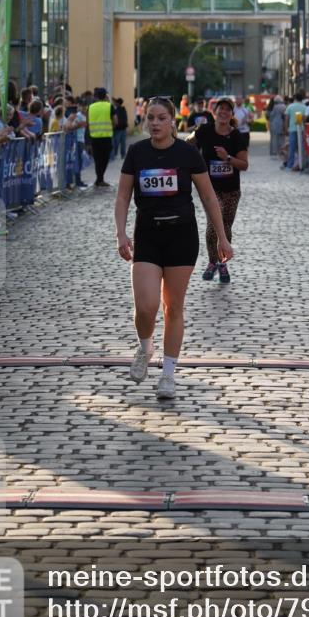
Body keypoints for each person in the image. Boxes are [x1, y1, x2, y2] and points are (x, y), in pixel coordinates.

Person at [114, 96, 233, 401]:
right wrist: (121, 234)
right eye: (150, 118)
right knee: (145, 306)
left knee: (173, 307)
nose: (154, 123)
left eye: (161, 118)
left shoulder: (187, 153)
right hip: (147, 235)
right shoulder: (137, 153)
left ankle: (168, 374)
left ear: (172, 122)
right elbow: (123, 196)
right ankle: (145, 346)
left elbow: (208, 197)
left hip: (182, 236)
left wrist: (222, 238)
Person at [193, 97, 248, 284]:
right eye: (220, 109)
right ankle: (212, 262)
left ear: (231, 114)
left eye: (227, 109)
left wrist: (228, 158)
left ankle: (223, 263)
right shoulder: (205, 131)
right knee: (213, 225)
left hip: (232, 190)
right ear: (214, 111)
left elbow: (244, 165)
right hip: (209, 188)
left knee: (225, 226)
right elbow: (189, 144)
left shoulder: (236, 136)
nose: (223, 112)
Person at [87, 87, 116, 187]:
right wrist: (112, 127)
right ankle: (100, 179)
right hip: (106, 137)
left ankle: (99, 179)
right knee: (105, 159)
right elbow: (115, 121)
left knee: (97, 159)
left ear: (96, 96)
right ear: (105, 96)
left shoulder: (90, 107)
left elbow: (87, 123)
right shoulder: (109, 106)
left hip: (94, 137)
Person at [283, 92, 305, 170]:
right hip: (301, 129)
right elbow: (305, 119)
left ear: (295, 98)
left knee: (291, 148)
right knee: (301, 148)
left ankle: (289, 165)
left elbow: (286, 118)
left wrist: (286, 128)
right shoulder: (304, 107)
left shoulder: (290, 106)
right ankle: (301, 164)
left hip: (292, 129)